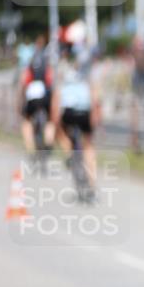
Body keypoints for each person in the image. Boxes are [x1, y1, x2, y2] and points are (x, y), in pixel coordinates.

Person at [51, 44, 101, 201]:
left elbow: (57, 96)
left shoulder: (62, 71)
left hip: (68, 113)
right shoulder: (88, 72)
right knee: (88, 146)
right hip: (85, 112)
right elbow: (95, 97)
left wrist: (55, 119)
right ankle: (92, 184)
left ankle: (69, 153)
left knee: (60, 133)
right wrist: (96, 116)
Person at [16, 34, 55, 164]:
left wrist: (20, 101)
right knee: (50, 120)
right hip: (45, 95)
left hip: (32, 95)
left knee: (26, 121)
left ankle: (31, 150)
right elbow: (51, 82)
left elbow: (23, 82)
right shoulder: (47, 61)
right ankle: (49, 143)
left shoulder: (30, 61)